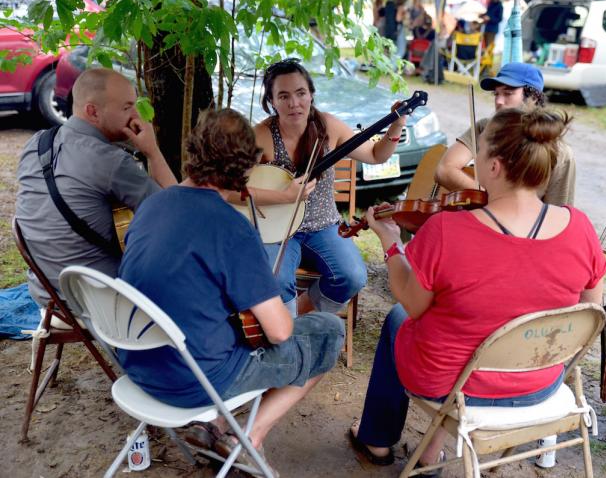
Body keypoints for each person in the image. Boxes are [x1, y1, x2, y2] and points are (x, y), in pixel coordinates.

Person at [348, 106, 606, 470]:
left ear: (495, 167)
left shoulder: (446, 230)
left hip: (456, 389)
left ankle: (376, 440)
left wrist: (391, 244)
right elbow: (589, 313)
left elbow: (414, 303)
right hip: (540, 383)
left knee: (398, 318)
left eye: (480, 152)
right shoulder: (581, 228)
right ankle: (427, 450)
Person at [117, 108, 344, 471]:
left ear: (194, 151)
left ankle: (216, 423)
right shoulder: (230, 228)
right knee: (330, 331)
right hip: (195, 380)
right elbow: (280, 331)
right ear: (246, 170)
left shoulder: (153, 204)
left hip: (138, 367)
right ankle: (248, 437)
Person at [251, 58, 407, 316]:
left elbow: (376, 155)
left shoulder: (328, 126)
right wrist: (283, 195)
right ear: (272, 101)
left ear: (311, 94)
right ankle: (286, 335)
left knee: (352, 276)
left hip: (324, 226)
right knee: (275, 281)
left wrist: (396, 125)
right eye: (283, 96)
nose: (294, 103)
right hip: (279, 230)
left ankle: (301, 315)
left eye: (301, 93)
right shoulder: (262, 135)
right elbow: (232, 190)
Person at [15, 67, 176, 311]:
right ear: (93, 112)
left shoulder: (36, 143)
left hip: (46, 292)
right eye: (126, 107)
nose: (136, 115)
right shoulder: (110, 161)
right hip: (97, 298)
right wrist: (152, 151)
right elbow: (176, 212)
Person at [434, 62, 576, 206]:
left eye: (508, 93)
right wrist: (491, 199)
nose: (499, 101)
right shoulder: (484, 127)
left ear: (533, 97)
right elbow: (444, 169)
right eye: (496, 94)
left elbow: (557, 212)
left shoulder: (561, 152)